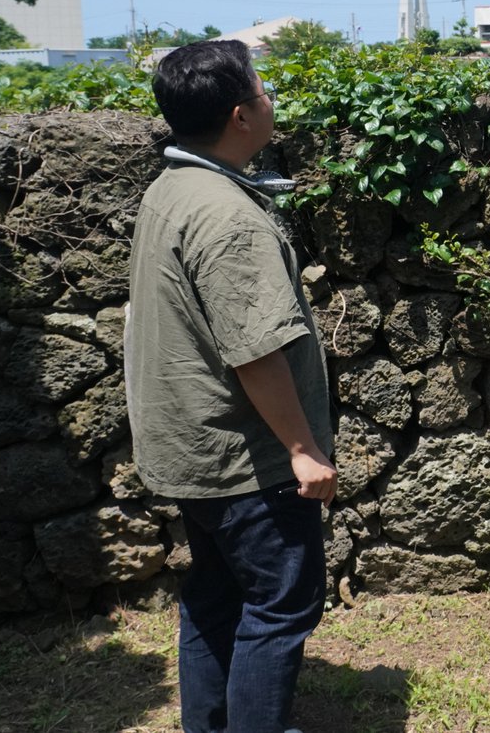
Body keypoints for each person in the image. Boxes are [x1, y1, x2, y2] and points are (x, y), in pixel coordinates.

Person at [125, 39, 336, 733]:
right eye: (265, 89)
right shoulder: (229, 216)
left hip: (191, 444)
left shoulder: (172, 189)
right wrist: (302, 449)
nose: (272, 100)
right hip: (247, 457)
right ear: (242, 114)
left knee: (217, 598)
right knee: (280, 607)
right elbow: (256, 351)